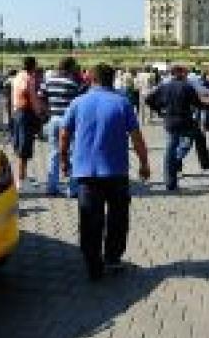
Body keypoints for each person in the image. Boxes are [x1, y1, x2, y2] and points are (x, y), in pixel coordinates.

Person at [59, 64, 151, 281]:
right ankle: (112, 258)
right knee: (118, 219)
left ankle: (92, 262)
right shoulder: (123, 103)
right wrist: (144, 163)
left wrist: (64, 160)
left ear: (92, 79)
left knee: (90, 219)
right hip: (116, 171)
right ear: (113, 80)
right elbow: (137, 137)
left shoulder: (78, 102)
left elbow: (64, 134)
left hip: (86, 172)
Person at [145, 66, 209, 191]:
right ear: (180, 74)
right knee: (193, 139)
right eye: (185, 73)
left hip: (170, 121)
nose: (186, 75)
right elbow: (198, 104)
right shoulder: (187, 87)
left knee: (170, 148)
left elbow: (148, 99)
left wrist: (159, 110)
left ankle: (170, 181)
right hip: (185, 121)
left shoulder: (164, 86)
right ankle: (201, 161)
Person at [41, 58, 86, 196]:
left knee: (54, 152)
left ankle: (51, 186)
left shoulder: (48, 82)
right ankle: (73, 189)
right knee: (73, 153)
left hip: (53, 119)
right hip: (69, 121)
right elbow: (78, 103)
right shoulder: (72, 84)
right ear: (70, 68)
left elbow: (41, 98)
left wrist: (48, 112)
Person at [10, 57, 46, 189]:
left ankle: (22, 176)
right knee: (24, 149)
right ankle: (21, 180)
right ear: (33, 66)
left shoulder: (18, 76)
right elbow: (32, 97)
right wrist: (39, 113)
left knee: (20, 146)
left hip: (17, 112)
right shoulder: (29, 79)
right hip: (26, 113)